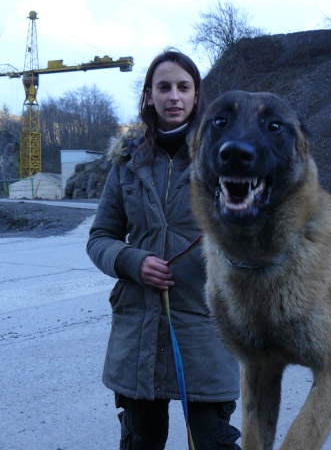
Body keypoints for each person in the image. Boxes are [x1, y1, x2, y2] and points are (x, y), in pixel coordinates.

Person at [87, 49, 241, 450]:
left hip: (207, 329)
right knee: (141, 442)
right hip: (137, 331)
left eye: (183, 87)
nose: (174, 96)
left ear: (196, 96)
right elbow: (100, 237)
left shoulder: (226, 157)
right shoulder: (126, 162)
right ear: (149, 95)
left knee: (215, 442)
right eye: (164, 87)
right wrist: (132, 262)